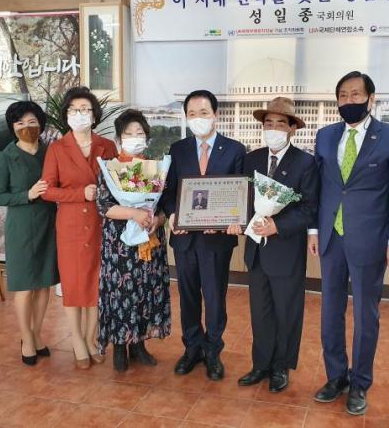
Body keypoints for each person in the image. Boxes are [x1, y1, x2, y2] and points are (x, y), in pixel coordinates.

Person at [309, 71, 389, 415]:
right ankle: (336, 376)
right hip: (331, 236)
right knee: (330, 310)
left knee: (366, 315)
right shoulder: (325, 136)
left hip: (370, 238)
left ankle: (360, 382)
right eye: (342, 95)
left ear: (371, 98)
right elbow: (318, 188)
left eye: (355, 94)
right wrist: (313, 230)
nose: (348, 101)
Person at [228, 97, 318, 393]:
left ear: (292, 128)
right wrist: (235, 220)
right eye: (268, 123)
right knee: (260, 311)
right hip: (256, 250)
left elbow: (309, 208)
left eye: (281, 124)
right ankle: (261, 364)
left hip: (286, 250)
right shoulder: (251, 159)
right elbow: (241, 198)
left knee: (287, 311)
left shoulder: (305, 162)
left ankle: (281, 366)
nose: (273, 129)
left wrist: (277, 225)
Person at [161, 89, 245, 381]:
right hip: (185, 238)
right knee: (187, 296)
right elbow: (168, 192)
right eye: (192, 114)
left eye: (204, 113)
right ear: (186, 117)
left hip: (216, 241)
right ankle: (192, 348)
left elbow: (240, 193)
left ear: (216, 116)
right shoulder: (177, 149)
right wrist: (173, 214)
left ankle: (212, 351)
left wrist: (229, 221)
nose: (198, 118)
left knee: (215, 297)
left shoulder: (235, 150)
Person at [41, 86, 118, 369]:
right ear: (66, 115)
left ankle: (91, 337)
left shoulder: (106, 146)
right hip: (71, 225)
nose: (80, 114)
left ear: (94, 115)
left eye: (85, 109)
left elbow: (117, 184)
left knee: (97, 283)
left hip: (101, 223)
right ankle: (76, 339)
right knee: (73, 285)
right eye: (74, 110)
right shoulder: (57, 149)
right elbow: (47, 190)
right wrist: (79, 194)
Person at [96, 109, 171, 372]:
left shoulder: (155, 168)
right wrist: (134, 213)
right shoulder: (110, 168)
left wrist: (157, 219)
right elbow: (103, 206)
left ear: (147, 138)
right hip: (120, 244)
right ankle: (119, 346)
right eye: (129, 133)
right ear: (119, 139)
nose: (135, 137)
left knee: (144, 291)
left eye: (140, 133)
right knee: (121, 292)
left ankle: (138, 344)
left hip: (148, 240)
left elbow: (164, 205)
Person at [0, 101, 59, 366]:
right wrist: (26, 194)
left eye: (32, 122)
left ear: (40, 124)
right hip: (21, 227)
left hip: (48, 223)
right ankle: (26, 338)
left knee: (43, 283)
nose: (26, 127)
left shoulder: (50, 153)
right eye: (20, 123)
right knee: (25, 286)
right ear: (12, 127)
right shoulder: (5, 156)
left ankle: (37, 333)